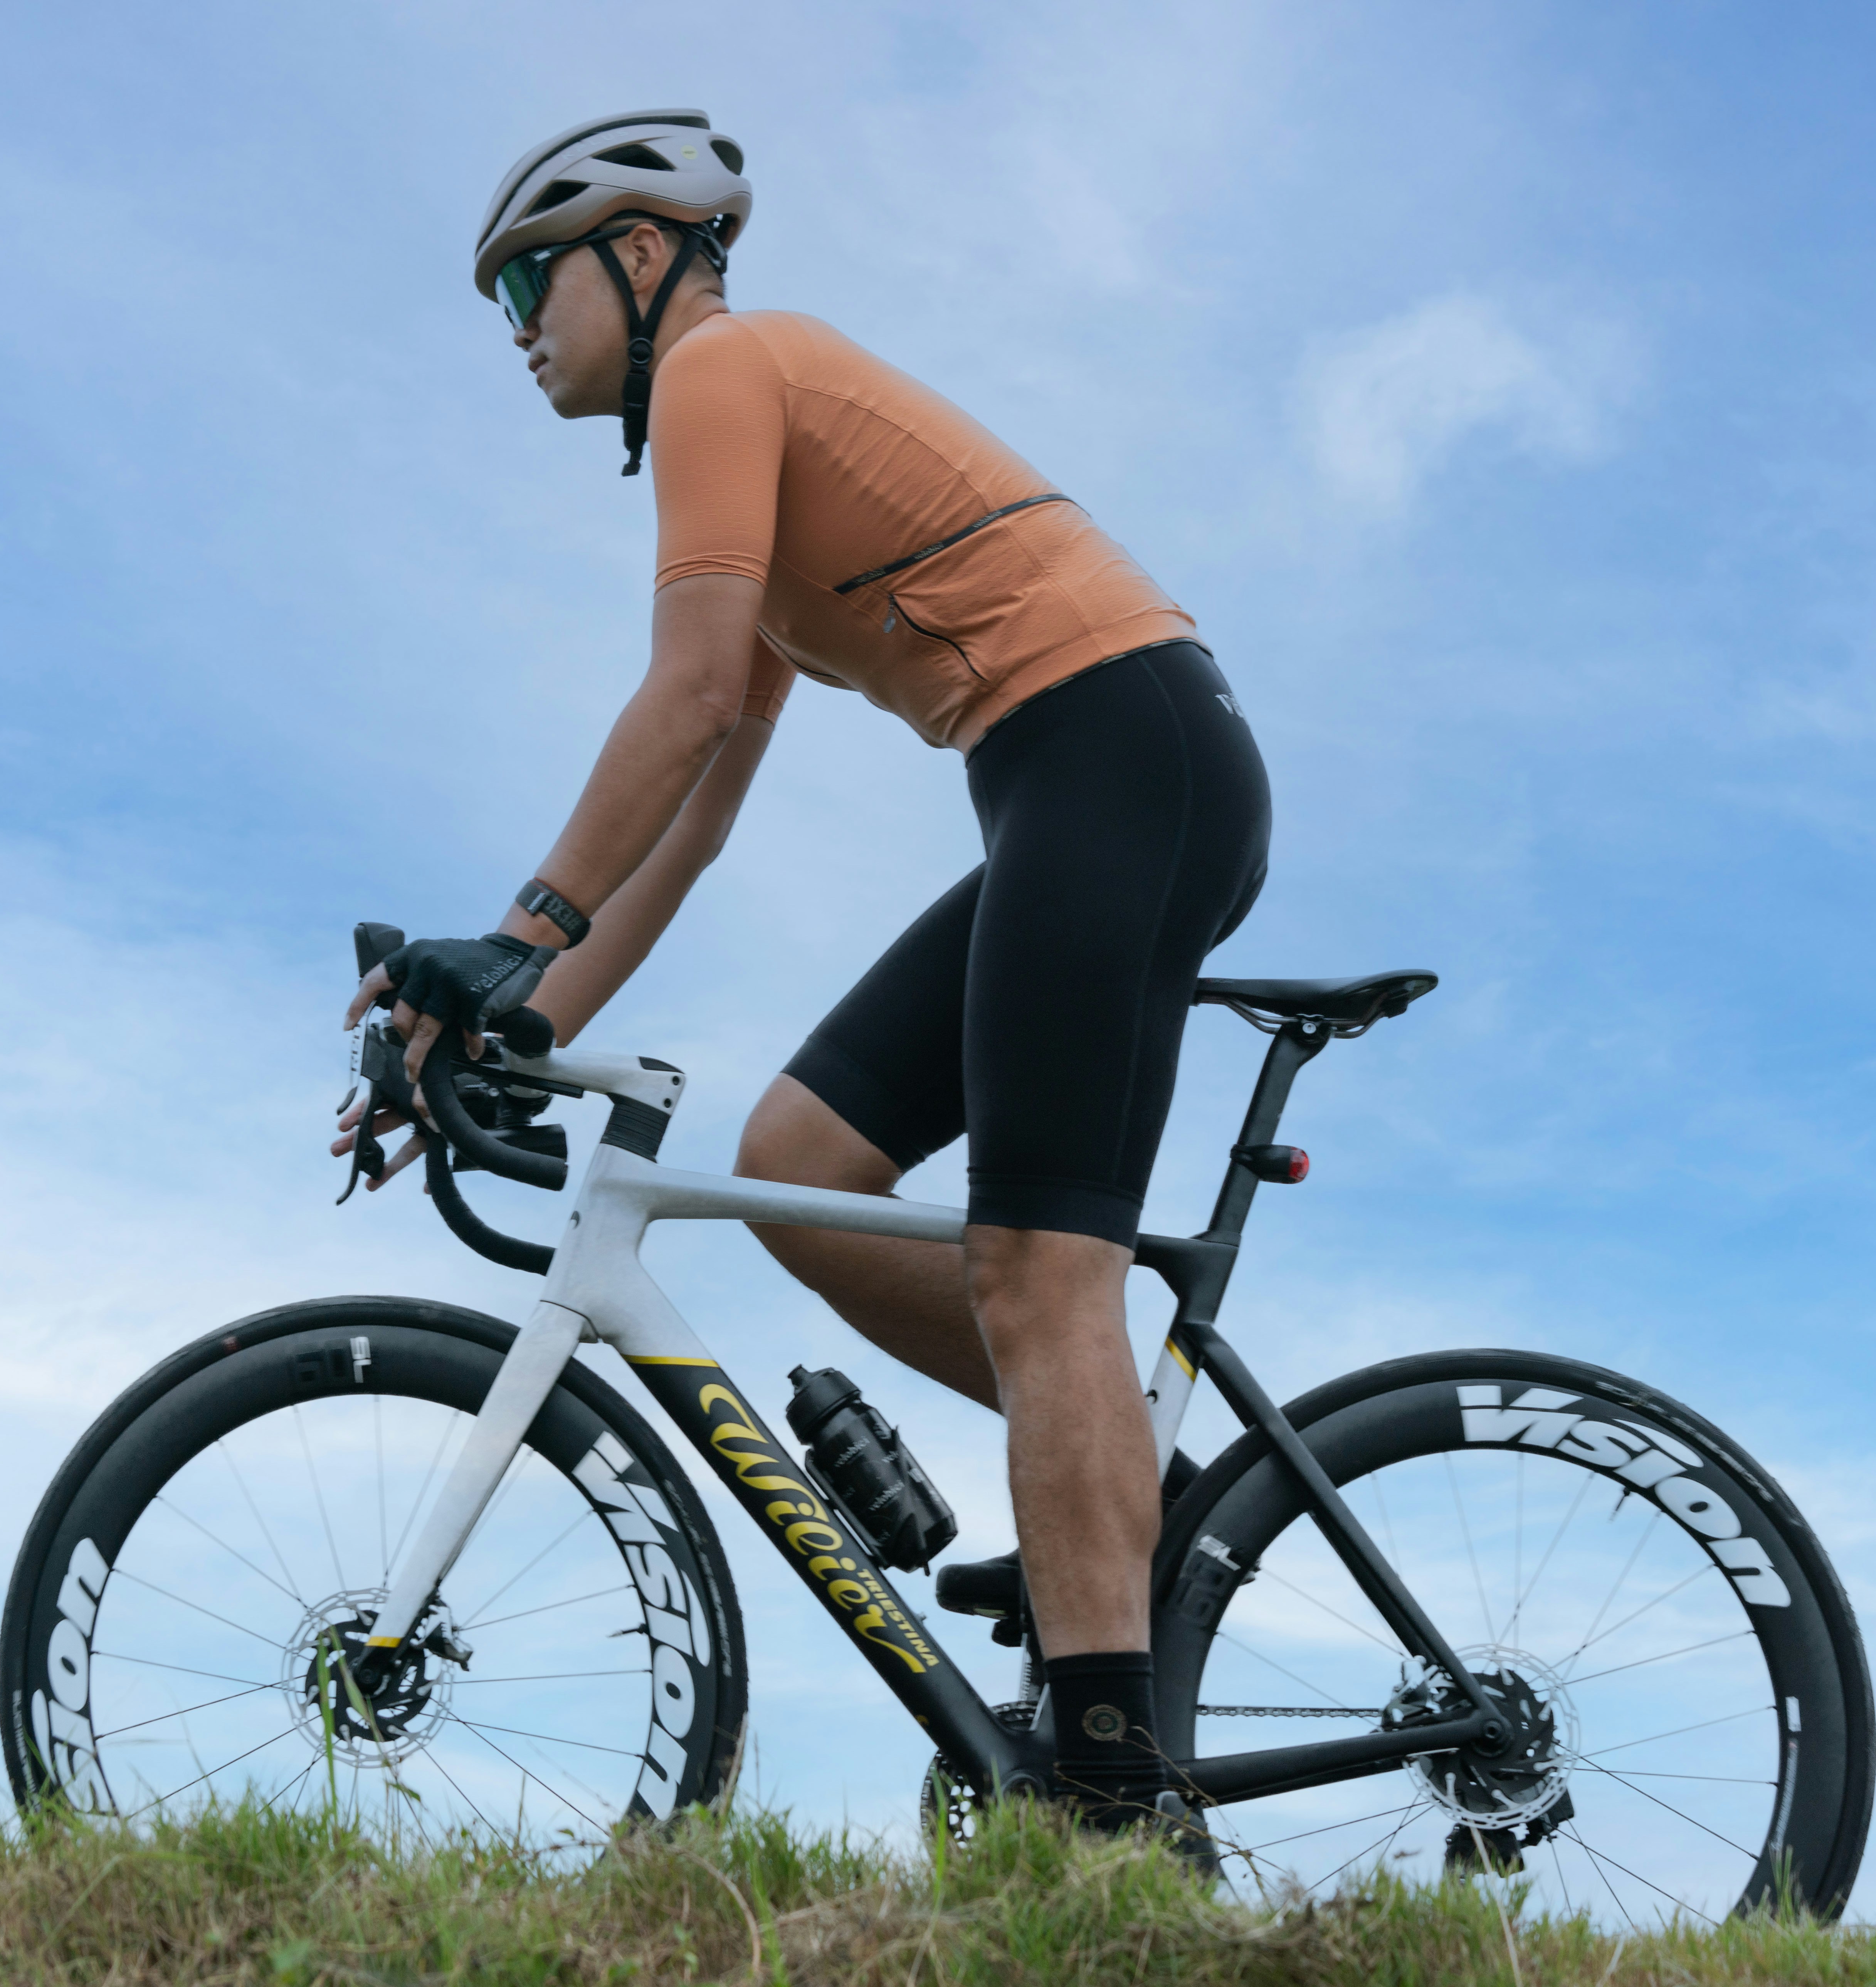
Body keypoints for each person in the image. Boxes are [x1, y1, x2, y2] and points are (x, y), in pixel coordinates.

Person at [335, 109, 1268, 1829]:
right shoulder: (743, 488)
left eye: (533, 278)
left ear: (641, 254)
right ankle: (1134, 1487)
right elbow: (691, 815)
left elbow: (674, 701)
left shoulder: (722, 367)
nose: (520, 325)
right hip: (1082, 777)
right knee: (797, 1174)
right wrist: (516, 1025)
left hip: (1119, 757)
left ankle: (1116, 1810)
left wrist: (515, 930)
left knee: (1036, 1271)